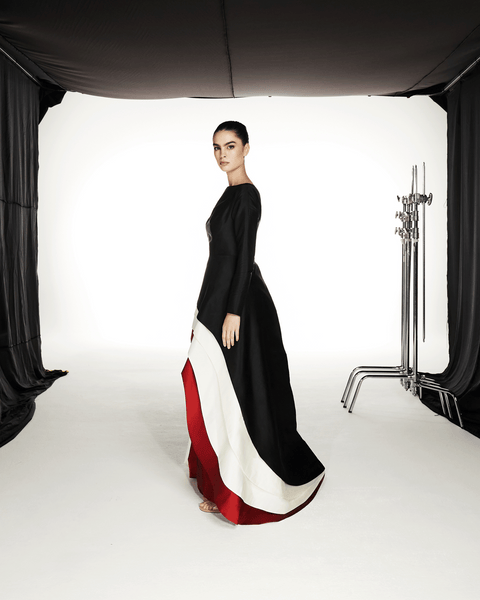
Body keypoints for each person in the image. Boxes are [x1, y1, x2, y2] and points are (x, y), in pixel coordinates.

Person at [181, 121, 325, 525]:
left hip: (238, 305)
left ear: (246, 148)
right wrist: (205, 307)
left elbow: (244, 255)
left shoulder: (246, 195)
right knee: (216, 386)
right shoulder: (229, 195)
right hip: (219, 299)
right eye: (216, 147)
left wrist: (234, 311)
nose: (222, 154)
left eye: (230, 146)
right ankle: (223, 479)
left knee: (237, 392)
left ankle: (239, 487)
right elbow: (219, 258)